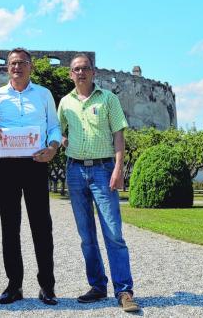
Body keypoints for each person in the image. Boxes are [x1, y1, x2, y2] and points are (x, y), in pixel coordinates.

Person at [57, 53, 140, 312]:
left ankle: (124, 290)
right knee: (86, 235)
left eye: (84, 68)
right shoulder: (65, 103)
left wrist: (118, 169)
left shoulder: (108, 99)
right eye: (75, 69)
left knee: (113, 233)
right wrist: (61, 140)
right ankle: (97, 285)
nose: (80, 73)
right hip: (75, 170)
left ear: (93, 72)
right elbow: (56, 130)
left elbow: (118, 135)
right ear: (70, 74)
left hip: (104, 169)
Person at [0, 48, 61, 306]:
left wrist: (52, 148)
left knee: (42, 227)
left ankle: (47, 286)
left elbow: (54, 127)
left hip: (36, 163)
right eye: (13, 63)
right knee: (9, 227)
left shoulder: (44, 94)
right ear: (7, 68)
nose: (17, 67)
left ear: (31, 67)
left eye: (22, 63)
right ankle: (14, 285)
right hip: (6, 165)